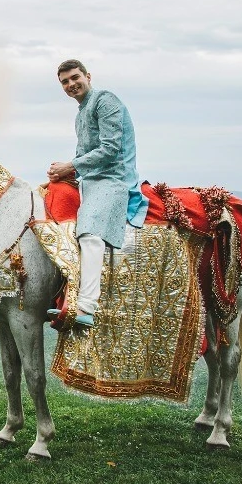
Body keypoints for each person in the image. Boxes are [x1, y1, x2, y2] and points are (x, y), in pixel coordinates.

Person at [46, 59, 148, 327]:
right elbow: (82, 157)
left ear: (88, 76)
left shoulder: (105, 101)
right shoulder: (81, 113)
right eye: (65, 82)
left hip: (114, 179)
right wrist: (61, 175)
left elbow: (110, 149)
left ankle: (86, 307)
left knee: (90, 233)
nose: (71, 84)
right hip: (90, 181)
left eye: (75, 78)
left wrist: (71, 166)